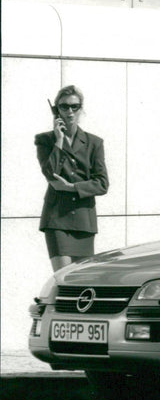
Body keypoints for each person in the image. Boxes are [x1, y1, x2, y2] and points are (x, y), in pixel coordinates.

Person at [35, 85, 109, 271]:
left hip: (84, 220)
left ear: (81, 109)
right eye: (64, 106)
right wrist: (59, 141)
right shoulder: (45, 140)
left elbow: (102, 184)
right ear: (56, 110)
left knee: (81, 280)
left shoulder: (94, 142)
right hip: (57, 219)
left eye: (74, 106)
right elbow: (50, 173)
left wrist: (72, 187)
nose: (69, 111)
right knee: (63, 277)